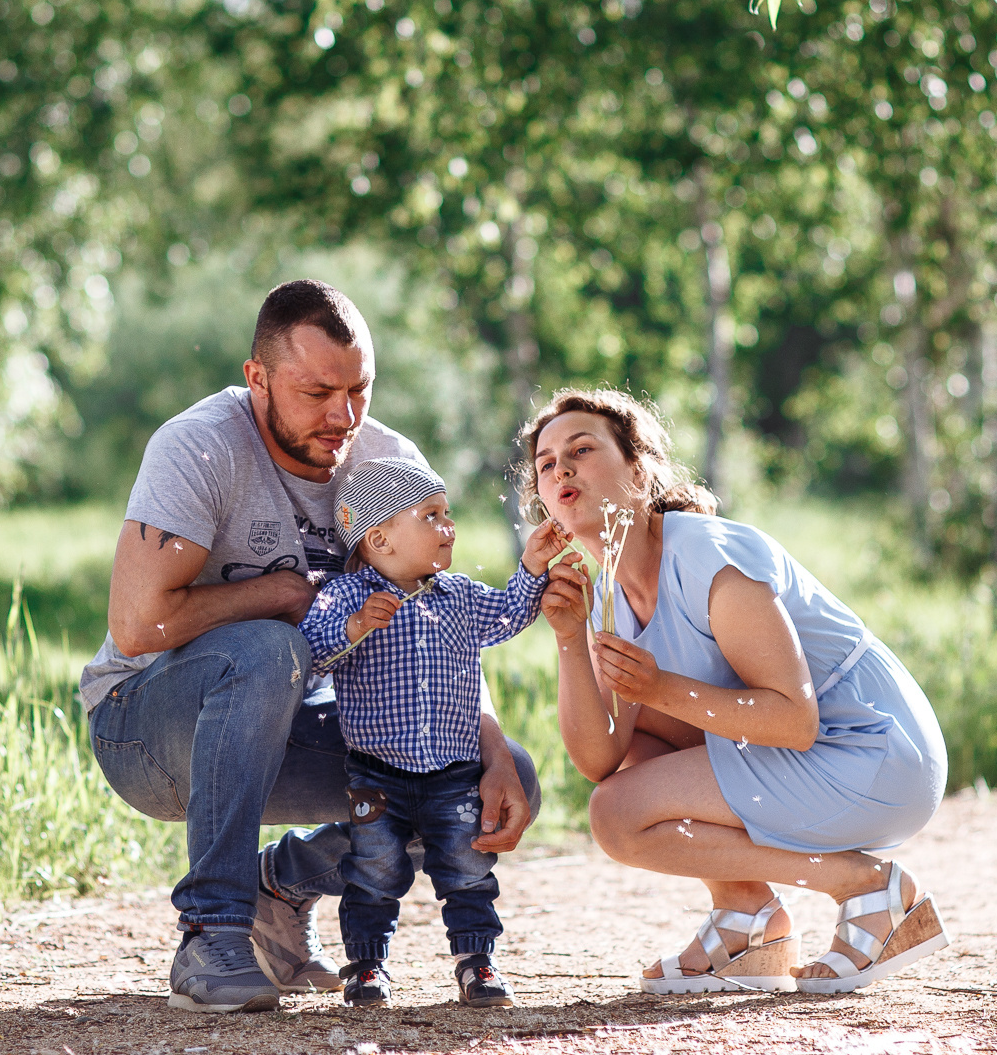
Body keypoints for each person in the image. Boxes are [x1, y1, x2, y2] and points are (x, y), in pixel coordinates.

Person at [78, 279, 540, 1014]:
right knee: (267, 648)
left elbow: (437, 626)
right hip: (146, 730)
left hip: (293, 728)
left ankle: (281, 886)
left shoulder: (387, 464)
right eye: (317, 391)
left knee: (490, 774)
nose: (343, 415)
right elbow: (138, 626)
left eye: (359, 389)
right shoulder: (198, 447)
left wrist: (485, 737)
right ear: (256, 377)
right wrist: (283, 594)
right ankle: (211, 928)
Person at [524, 388, 949, 995]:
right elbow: (601, 758)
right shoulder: (607, 595)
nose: (560, 467)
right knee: (630, 773)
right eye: (545, 463)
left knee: (619, 812)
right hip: (807, 763)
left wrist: (659, 687)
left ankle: (864, 886)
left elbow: (793, 719)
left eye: (582, 449)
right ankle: (747, 916)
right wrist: (570, 636)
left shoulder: (707, 557)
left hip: (874, 754)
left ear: (639, 472)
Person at [296, 458, 562, 1009]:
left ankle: (476, 961)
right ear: (380, 537)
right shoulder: (347, 598)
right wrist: (355, 628)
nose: (450, 528)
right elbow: (314, 653)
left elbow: (511, 614)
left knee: (467, 868)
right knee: (372, 872)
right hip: (375, 773)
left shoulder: (458, 596)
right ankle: (366, 966)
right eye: (432, 516)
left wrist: (532, 568)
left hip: (455, 770)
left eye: (448, 515)